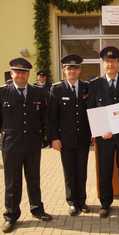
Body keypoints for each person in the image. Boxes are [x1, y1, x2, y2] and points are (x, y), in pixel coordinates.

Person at [0, 58, 52, 233]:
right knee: (12, 182)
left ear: (28, 74)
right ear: (11, 73)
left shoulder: (38, 93)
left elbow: (45, 117)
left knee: (34, 178)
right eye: (17, 72)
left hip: (32, 143)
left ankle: (37, 209)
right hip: (11, 145)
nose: (20, 75)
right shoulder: (2, 93)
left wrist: (45, 137)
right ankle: (11, 215)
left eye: (24, 72)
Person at [87, 46, 119, 218]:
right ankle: (105, 203)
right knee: (105, 169)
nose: (110, 64)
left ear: (118, 63)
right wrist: (101, 131)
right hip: (105, 136)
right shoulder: (94, 85)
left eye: (113, 61)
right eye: (107, 62)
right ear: (103, 64)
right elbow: (91, 109)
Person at [48, 54, 91, 216]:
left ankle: (82, 201)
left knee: (82, 171)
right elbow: (51, 117)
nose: (72, 71)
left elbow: (93, 112)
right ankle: (72, 202)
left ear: (79, 70)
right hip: (65, 140)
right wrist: (54, 138)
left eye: (75, 68)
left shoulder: (87, 87)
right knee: (69, 171)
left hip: (83, 138)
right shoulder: (57, 89)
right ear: (64, 70)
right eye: (68, 68)